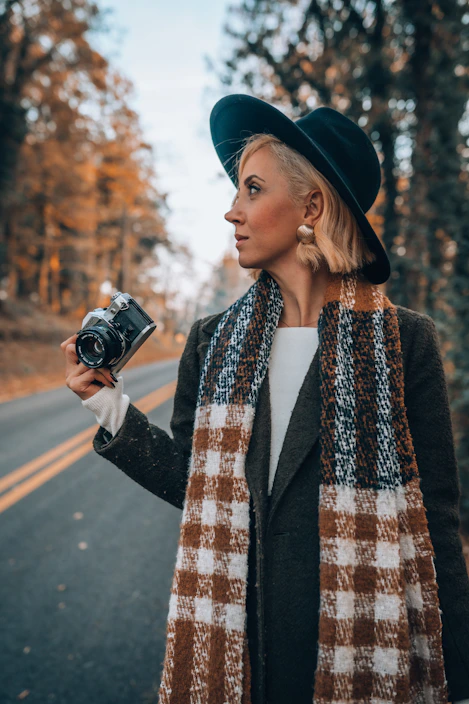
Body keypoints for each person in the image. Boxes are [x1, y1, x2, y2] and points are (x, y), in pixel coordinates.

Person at [61, 94, 469, 704]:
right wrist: (110, 408)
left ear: (311, 205)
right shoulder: (213, 340)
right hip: (238, 644)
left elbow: (435, 518)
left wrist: (458, 675)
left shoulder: (404, 342)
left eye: (252, 190)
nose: (232, 212)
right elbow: (193, 483)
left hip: (361, 648)